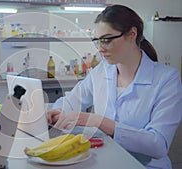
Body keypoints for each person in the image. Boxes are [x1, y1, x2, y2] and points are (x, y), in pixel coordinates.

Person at [47, 4, 182, 169]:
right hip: (106, 160)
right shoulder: (101, 72)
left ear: (132, 34)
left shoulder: (167, 79)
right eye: (97, 41)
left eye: (107, 40)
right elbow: (73, 100)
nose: (100, 49)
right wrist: (59, 112)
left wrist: (99, 121)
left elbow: (159, 145)